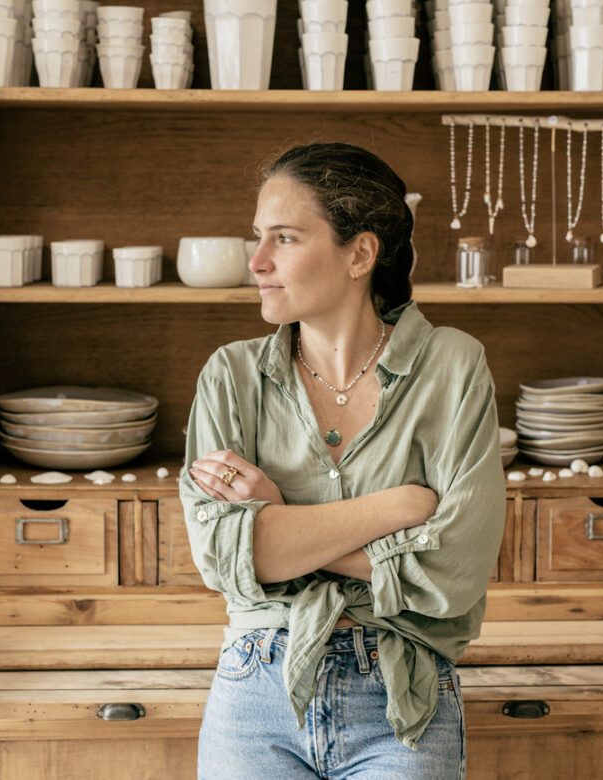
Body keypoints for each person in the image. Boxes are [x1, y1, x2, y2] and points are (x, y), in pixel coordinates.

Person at [179, 142, 506, 779]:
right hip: (256, 691)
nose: (257, 261)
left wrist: (277, 518)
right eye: (258, 237)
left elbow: (452, 573)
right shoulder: (230, 376)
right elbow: (225, 558)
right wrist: (400, 507)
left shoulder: (454, 366)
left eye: (285, 238)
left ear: (360, 253)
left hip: (403, 697)